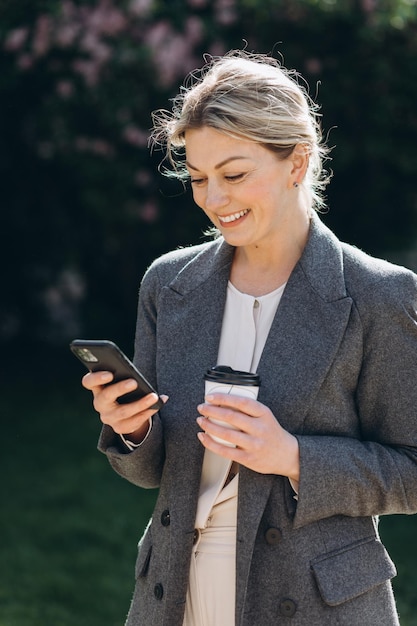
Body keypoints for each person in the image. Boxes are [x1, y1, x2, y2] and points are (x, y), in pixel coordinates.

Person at [82, 50, 417, 625]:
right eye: (198, 178)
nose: (214, 200)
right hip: (173, 592)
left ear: (297, 162)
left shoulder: (379, 296)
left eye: (234, 175)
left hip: (313, 603)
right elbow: (154, 471)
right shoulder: (168, 283)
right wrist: (134, 430)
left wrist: (292, 456)